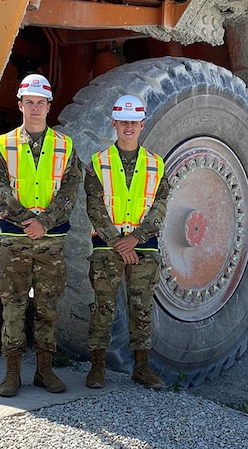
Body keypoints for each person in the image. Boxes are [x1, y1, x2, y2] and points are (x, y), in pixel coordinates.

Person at [0, 73, 82, 397]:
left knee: (47, 309)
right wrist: (28, 220)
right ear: (20, 105)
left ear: (49, 106)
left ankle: (44, 371)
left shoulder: (65, 146)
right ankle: (12, 374)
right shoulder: (4, 145)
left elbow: (70, 191)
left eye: (41, 103)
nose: (35, 108)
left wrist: (47, 222)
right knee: (13, 308)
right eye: (30, 102)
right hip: (15, 241)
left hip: (51, 243)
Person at [85, 94, 170, 390]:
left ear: (142, 124)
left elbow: (159, 208)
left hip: (143, 246)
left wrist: (134, 239)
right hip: (107, 246)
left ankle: (142, 369)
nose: (129, 127)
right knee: (103, 307)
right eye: (123, 122)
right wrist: (118, 242)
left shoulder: (156, 165)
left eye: (134, 122)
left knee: (142, 309)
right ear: (114, 123)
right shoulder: (98, 162)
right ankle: (96, 368)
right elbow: (94, 207)